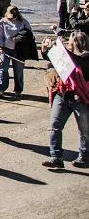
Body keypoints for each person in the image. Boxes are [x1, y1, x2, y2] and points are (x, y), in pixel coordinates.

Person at [40, 31, 89, 169]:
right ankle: (55, 157)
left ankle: (84, 156)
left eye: (71, 41)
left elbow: (74, 61)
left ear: (77, 43)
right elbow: (56, 60)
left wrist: (57, 47)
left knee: (85, 131)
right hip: (63, 95)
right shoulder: (69, 56)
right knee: (55, 126)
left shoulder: (85, 59)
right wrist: (46, 50)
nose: (68, 43)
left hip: (81, 99)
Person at [0, 5, 32, 98]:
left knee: (18, 71)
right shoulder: (2, 22)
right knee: (3, 69)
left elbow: (30, 35)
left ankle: (18, 90)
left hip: (19, 50)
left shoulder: (24, 22)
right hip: (5, 49)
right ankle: (1, 89)